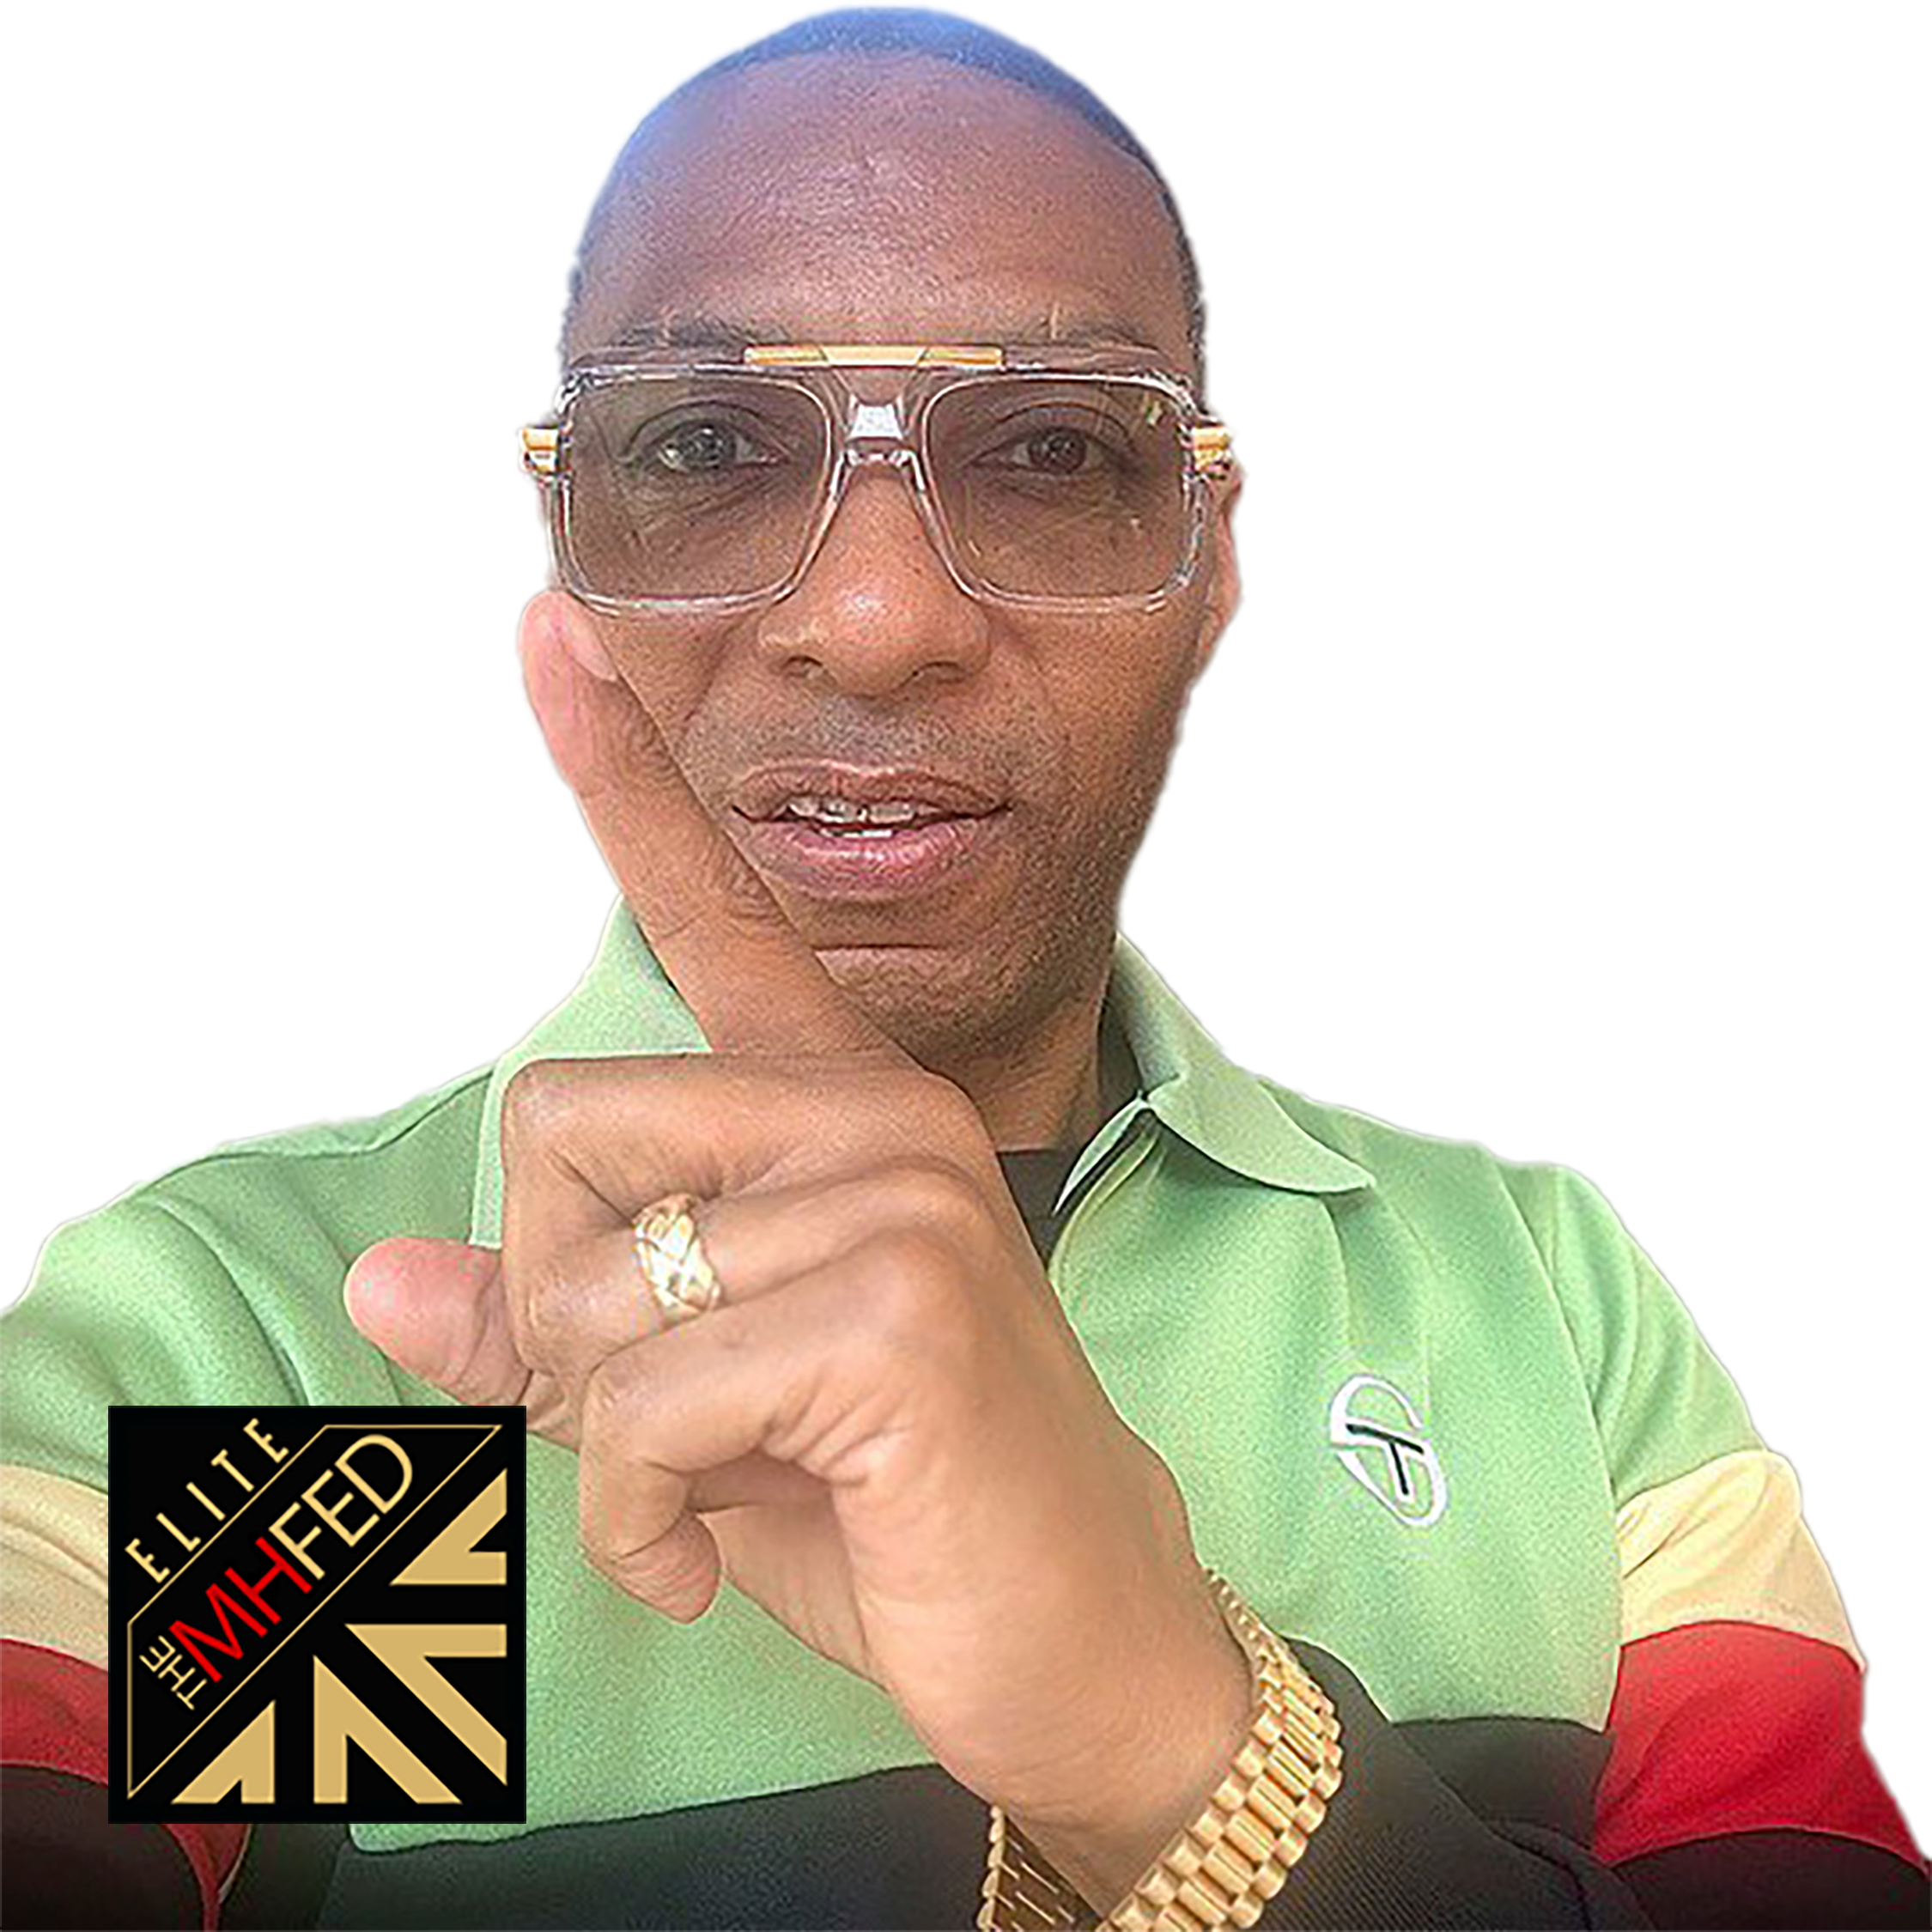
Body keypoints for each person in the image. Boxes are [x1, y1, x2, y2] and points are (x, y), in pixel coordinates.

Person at [0, 9, 1923, 1929]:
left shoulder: (1540, 1311)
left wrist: (1178, 1745)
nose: (874, 616)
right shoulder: (299, 1349)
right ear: (570, 539)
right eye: (704, 444)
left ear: (1210, 554)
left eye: (1054, 448)